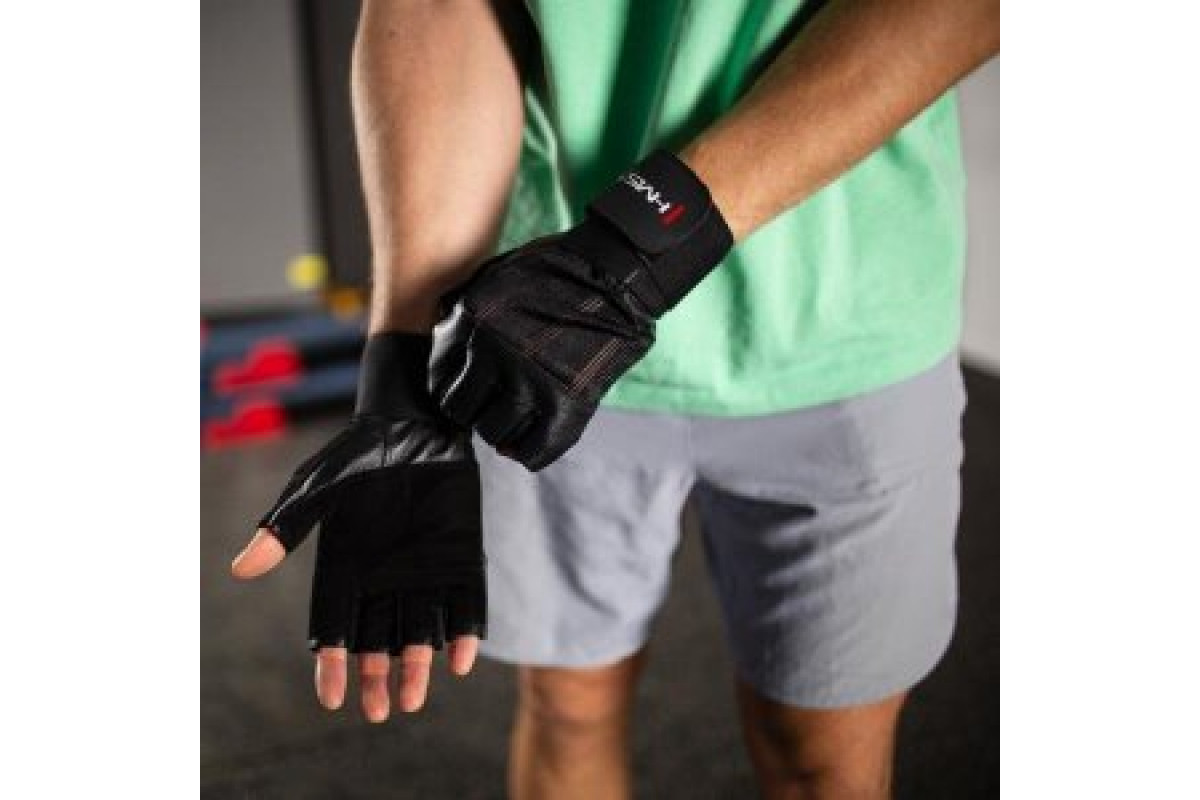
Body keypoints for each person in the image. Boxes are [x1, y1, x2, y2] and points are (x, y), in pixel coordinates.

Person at [232, 0, 998, 796]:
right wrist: (406, 365)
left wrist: (631, 257)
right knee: (568, 707)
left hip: (841, 319)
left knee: (821, 760)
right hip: (540, 335)